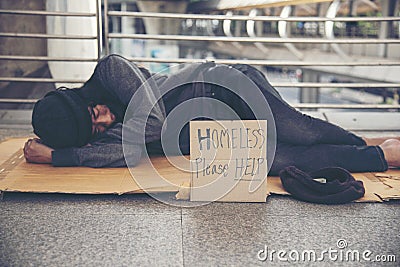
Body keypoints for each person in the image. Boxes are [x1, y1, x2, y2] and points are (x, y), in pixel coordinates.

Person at [23, 54, 400, 175]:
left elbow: (152, 124)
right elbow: (135, 149)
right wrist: (67, 152)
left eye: (95, 111)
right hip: (207, 129)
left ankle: (360, 142)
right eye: (95, 128)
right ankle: (380, 155)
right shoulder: (100, 137)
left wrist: (63, 158)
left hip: (225, 86)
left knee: (294, 129)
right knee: (277, 160)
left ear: (81, 95)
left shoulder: (110, 70)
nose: (105, 120)